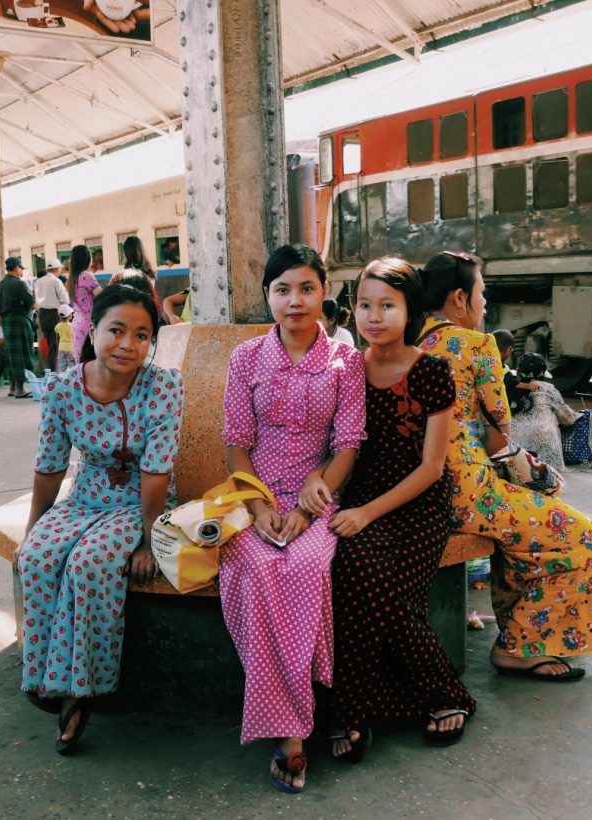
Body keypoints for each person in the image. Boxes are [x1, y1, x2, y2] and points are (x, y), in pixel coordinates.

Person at [418, 251, 592, 681]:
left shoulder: (414, 346)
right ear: (460, 298)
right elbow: (500, 429)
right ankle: (520, 647)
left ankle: (521, 632)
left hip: (425, 493)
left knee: (525, 522)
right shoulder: (476, 345)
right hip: (469, 495)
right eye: (482, 295)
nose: (485, 305)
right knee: (582, 536)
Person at [220, 243, 365, 794]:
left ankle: (288, 729)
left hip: (317, 496)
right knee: (254, 569)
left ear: (324, 292)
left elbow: (348, 445)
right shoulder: (246, 359)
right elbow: (237, 445)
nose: (295, 301)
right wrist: (257, 509)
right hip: (254, 496)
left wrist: (312, 502)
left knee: (304, 570)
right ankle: (293, 733)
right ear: (268, 297)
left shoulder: (345, 362)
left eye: (306, 288)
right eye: (283, 290)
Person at [16, 283, 183, 754]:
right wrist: (34, 527)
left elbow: (156, 472)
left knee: (90, 565)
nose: (128, 345)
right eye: (116, 330)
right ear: (92, 329)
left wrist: (152, 541)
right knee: (38, 558)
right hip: (84, 496)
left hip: (139, 502)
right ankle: (46, 678)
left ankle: (81, 690)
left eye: (142, 335)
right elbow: (50, 465)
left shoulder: (164, 386)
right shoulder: (62, 389)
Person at [328, 257, 475, 763]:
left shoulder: (433, 371)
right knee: (352, 567)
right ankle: (436, 693)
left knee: (377, 586)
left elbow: (432, 467)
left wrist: (368, 513)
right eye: (364, 305)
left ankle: (353, 710)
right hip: (359, 497)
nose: (373, 316)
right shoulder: (346, 368)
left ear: (409, 309)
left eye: (387, 305)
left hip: (417, 504)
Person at [503, 352, 578, 473]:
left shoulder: (507, 388)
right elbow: (569, 419)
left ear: (517, 372)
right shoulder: (548, 388)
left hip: (515, 459)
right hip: (550, 464)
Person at [0, 257, 37, 399]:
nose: (21, 272)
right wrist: (34, 295)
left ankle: (12, 387)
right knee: (23, 353)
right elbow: (32, 304)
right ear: (16, 268)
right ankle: (20, 389)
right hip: (20, 320)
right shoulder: (19, 284)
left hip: (6, 322)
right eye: (21, 269)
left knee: (12, 354)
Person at [110, 236, 165, 321]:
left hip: (125, 315)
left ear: (125, 252)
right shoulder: (150, 272)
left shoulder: (118, 272)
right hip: (147, 314)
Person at [33, 257, 70, 372]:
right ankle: (55, 373)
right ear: (57, 269)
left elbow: (36, 300)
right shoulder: (56, 281)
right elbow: (65, 300)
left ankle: (51, 371)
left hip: (42, 315)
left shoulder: (38, 281)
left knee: (50, 344)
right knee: (56, 345)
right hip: (54, 314)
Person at [67, 245, 102, 357]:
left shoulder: (72, 278)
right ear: (87, 259)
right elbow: (103, 295)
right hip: (89, 322)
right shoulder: (86, 276)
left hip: (76, 322)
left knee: (81, 361)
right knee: (92, 360)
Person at [55, 304, 75, 371]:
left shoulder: (58, 326)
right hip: (70, 349)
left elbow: (57, 336)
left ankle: (62, 380)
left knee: (62, 368)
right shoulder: (72, 326)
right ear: (69, 316)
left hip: (61, 348)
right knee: (72, 368)